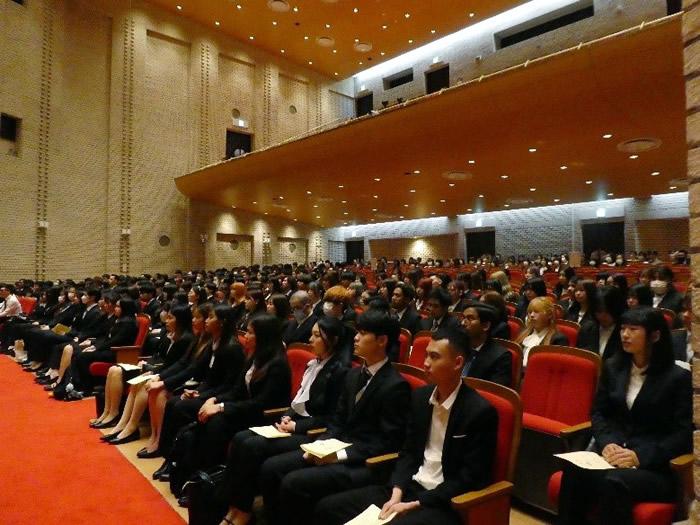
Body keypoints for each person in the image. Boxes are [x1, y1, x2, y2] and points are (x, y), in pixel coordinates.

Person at [314, 327, 498, 525]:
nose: (426, 363)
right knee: (329, 508)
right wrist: (397, 492)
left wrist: (416, 503)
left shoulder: (479, 412)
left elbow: (469, 478)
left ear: (458, 363)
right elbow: (408, 452)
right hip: (409, 487)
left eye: (435, 357)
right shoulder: (420, 397)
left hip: (444, 503)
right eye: (426, 355)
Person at [259, 308, 411, 525]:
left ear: (382, 340)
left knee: (294, 482)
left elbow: (386, 443)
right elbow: (337, 421)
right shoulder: (353, 374)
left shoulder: (396, 386)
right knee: (272, 467)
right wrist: (319, 446)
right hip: (335, 447)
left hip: (363, 463)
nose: (355, 337)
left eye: (363, 333)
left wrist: (338, 455)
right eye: (357, 331)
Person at [557, 307, 692, 525]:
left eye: (633, 329)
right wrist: (607, 443)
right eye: (622, 328)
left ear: (655, 336)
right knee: (574, 470)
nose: (625, 335)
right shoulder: (613, 367)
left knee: (614, 481)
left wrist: (640, 456)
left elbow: (682, 434)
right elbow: (599, 412)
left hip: (654, 467)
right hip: (613, 456)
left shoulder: (678, 378)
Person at [216, 317, 349, 525]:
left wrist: (296, 425)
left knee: (252, 447)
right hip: (294, 424)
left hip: (311, 433)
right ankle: (233, 507)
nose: (310, 339)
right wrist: (287, 415)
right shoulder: (315, 363)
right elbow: (298, 402)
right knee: (241, 438)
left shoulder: (340, 371)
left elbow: (331, 418)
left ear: (333, 340)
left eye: (317, 335)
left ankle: (243, 512)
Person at [152, 304, 245, 478]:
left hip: (220, 397)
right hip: (208, 391)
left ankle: (177, 461)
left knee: (180, 407)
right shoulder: (214, 342)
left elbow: (229, 385)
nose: (207, 321)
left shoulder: (232, 348)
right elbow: (197, 368)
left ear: (222, 322)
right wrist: (195, 392)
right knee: (173, 403)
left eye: (211, 317)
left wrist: (202, 395)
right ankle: (168, 457)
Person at [91, 305, 194, 444]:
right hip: (152, 367)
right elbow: (157, 355)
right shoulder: (167, 333)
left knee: (141, 382)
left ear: (180, 320)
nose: (166, 321)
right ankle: (111, 415)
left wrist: (152, 370)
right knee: (114, 370)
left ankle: (131, 426)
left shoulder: (186, 338)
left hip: (162, 373)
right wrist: (146, 363)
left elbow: (175, 365)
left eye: (170, 318)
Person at [141, 303, 213, 457]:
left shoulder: (209, 342)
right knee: (155, 389)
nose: (193, 320)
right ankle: (154, 435)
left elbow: (193, 369)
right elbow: (183, 363)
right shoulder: (198, 337)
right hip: (189, 378)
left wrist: (164, 383)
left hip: (198, 383)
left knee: (161, 393)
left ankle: (160, 440)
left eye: (198, 317)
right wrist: (160, 377)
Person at [69, 297, 140, 395]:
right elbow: (107, 338)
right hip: (109, 349)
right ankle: (75, 384)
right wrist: (95, 346)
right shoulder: (119, 320)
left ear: (125, 309)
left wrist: (96, 348)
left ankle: (86, 388)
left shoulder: (128, 323)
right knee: (79, 352)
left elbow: (115, 341)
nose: (115, 308)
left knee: (84, 356)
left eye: (118, 307)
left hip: (119, 352)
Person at [460, 304, 512, 386]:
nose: (463, 323)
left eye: (470, 319)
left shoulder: (501, 357)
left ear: (486, 326)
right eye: (463, 318)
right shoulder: (457, 346)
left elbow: (494, 391)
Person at [575, 286, 626, 360]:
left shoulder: (625, 332)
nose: (602, 316)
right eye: (599, 311)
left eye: (607, 311)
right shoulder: (586, 329)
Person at [515, 297, 568, 366]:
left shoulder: (558, 339)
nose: (532, 315)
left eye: (536, 312)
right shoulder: (523, 333)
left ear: (549, 315)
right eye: (530, 312)